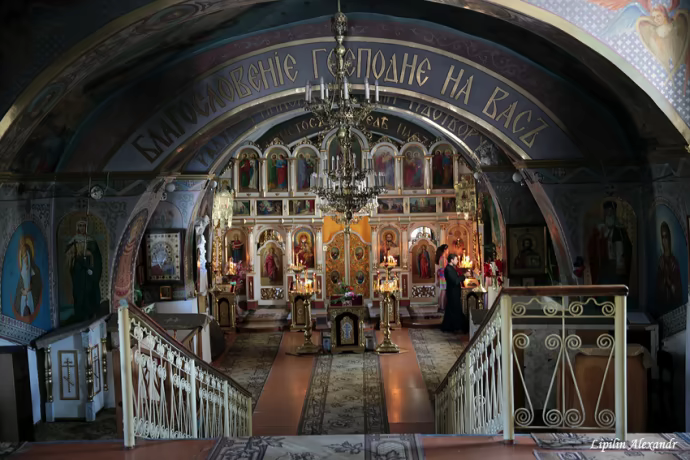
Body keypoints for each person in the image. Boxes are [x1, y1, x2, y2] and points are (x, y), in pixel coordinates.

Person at [587, 201, 632, 285]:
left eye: (611, 213)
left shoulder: (621, 231)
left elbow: (628, 250)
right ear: (604, 215)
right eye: (607, 213)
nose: (609, 215)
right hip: (604, 267)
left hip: (617, 268)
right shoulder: (599, 231)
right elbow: (592, 250)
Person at [656, 221, 683, 310]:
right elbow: (658, 289)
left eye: (666, 237)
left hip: (673, 306)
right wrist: (664, 279)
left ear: (669, 238)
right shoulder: (661, 261)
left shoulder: (674, 262)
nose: (664, 240)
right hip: (663, 305)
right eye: (662, 237)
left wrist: (669, 282)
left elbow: (678, 291)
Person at [441, 253, 468, 333]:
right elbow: (455, 281)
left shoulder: (451, 268)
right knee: (454, 310)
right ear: (452, 260)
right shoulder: (448, 269)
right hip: (452, 293)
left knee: (452, 310)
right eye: (456, 259)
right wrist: (464, 276)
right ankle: (455, 327)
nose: (457, 261)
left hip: (454, 292)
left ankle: (450, 327)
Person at [435, 244, 449, 312]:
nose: (448, 251)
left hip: (442, 276)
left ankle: (441, 307)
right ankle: (442, 308)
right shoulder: (443, 258)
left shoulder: (441, 258)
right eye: (447, 249)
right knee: (443, 292)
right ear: (445, 250)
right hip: (443, 277)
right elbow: (443, 269)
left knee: (442, 292)